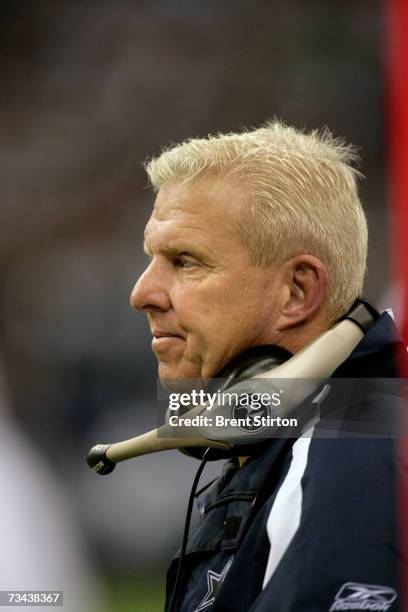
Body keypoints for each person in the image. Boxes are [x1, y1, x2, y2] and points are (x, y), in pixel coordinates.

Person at [130, 121, 406, 611]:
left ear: (297, 291)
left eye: (185, 261)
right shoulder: (295, 434)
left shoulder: (350, 457)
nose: (142, 294)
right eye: (152, 257)